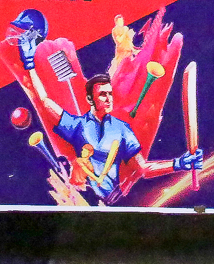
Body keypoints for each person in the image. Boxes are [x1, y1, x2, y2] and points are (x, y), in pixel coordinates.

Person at [35, 73, 202, 203]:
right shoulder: (78, 125)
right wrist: (30, 67)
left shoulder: (122, 129)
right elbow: (45, 102)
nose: (109, 99)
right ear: (90, 99)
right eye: (103, 94)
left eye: (110, 93)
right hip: (81, 200)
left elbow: (143, 168)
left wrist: (179, 164)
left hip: (112, 200)